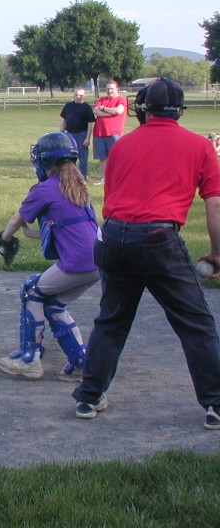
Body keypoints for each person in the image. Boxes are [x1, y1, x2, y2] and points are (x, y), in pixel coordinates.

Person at [72, 78, 220, 430]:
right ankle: (216, 404)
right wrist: (217, 253)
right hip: (159, 239)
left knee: (111, 321)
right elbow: (214, 205)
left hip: (113, 237)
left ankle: (89, 398)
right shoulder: (200, 146)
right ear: (180, 110)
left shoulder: (123, 145)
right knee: (196, 324)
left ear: (145, 108)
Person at [0, 132, 100, 380]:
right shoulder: (78, 186)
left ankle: (30, 359)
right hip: (99, 259)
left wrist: (4, 240)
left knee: (32, 289)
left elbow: (15, 220)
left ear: (44, 161)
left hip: (77, 261)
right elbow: (61, 227)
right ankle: (81, 363)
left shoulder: (44, 189)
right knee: (52, 303)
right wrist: (29, 233)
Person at [91, 80, 126, 185]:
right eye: (107, 89)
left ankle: (117, 178)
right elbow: (95, 111)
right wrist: (110, 113)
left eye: (112, 89)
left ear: (117, 89)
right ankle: (104, 179)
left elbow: (118, 111)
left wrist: (104, 109)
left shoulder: (121, 99)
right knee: (102, 157)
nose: (109, 91)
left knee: (115, 157)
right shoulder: (102, 99)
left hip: (114, 133)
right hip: (99, 132)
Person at [59, 88, 96, 179]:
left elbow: (90, 123)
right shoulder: (68, 106)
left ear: (84, 96)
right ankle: (71, 177)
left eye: (80, 95)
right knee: (69, 157)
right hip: (70, 134)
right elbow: (64, 119)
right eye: (76, 95)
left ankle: (82, 177)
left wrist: (88, 138)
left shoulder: (86, 107)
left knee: (83, 158)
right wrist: (61, 132)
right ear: (74, 95)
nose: (78, 97)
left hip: (82, 135)